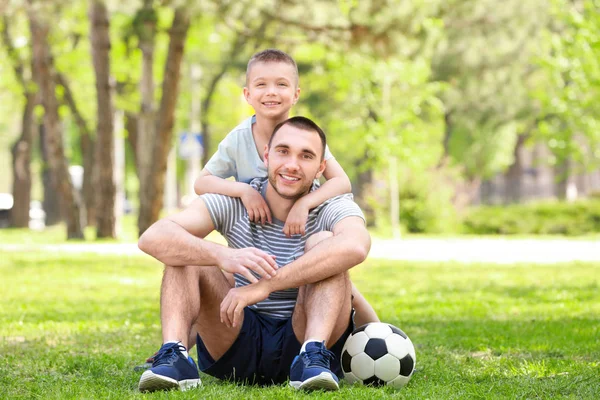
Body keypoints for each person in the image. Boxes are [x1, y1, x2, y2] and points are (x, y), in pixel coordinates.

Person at [137, 117, 371, 392]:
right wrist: (222, 255)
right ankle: (174, 355)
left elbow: (355, 245)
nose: (292, 164)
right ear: (266, 156)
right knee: (186, 249)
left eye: (306, 156)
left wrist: (267, 285)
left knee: (326, 243)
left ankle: (312, 354)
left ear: (321, 168)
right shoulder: (235, 202)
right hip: (235, 335)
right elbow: (153, 236)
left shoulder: (332, 206)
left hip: (302, 332)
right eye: (283, 151)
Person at [194, 48, 379, 326]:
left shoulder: (304, 137)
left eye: (281, 84)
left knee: (332, 273)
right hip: (260, 232)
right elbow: (201, 182)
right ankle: (176, 345)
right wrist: (244, 191)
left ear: (295, 94)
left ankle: (378, 331)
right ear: (247, 95)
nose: (271, 92)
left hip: (301, 229)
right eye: (262, 84)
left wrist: (305, 204)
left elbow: (341, 181)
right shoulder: (238, 139)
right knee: (224, 282)